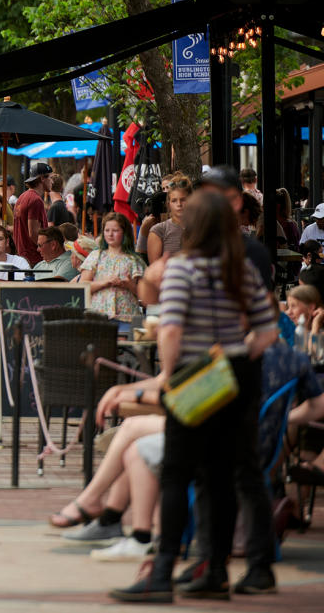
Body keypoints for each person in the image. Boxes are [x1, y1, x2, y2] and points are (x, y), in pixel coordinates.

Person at [105, 190, 280, 603]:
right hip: (234, 376)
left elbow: (170, 327)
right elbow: (268, 330)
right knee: (220, 474)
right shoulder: (242, 269)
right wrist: (235, 356)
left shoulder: (183, 267)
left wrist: (168, 373)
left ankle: (163, 569)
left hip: (194, 373)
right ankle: (215, 569)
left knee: (178, 470)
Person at [78, 212, 144, 325]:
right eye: (107, 230)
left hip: (127, 317)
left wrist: (129, 285)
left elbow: (144, 294)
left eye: (115, 230)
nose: (110, 234)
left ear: (124, 232)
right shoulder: (95, 256)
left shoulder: (134, 260)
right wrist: (106, 282)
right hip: (98, 317)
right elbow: (83, 286)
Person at [12, 161, 52, 266]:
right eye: (50, 178)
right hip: (33, 258)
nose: (52, 181)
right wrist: (46, 251)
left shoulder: (22, 196)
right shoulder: (35, 200)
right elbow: (33, 233)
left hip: (21, 256)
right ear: (42, 178)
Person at [146, 177, 190, 263]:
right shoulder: (158, 230)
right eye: (174, 201)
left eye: (183, 200)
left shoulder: (201, 227)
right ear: (168, 204)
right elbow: (155, 270)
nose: (179, 204)